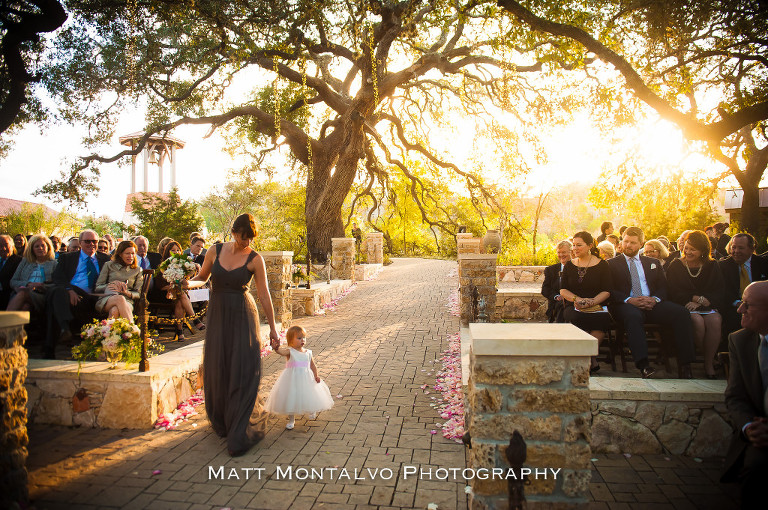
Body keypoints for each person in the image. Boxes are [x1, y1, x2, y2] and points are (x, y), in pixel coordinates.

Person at [191, 213, 280, 457]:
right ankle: (222, 418)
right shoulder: (215, 251)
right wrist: (183, 284)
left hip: (243, 314)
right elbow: (201, 278)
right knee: (220, 366)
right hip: (218, 315)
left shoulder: (255, 258)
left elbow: (264, 294)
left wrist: (272, 328)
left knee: (242, 367)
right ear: (233, 232)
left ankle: (239, 427)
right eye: (243, 238)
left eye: (250, 239)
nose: (246, 243)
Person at [607, 226, 695, 379]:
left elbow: (663, 287)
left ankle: (685, 364)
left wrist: (655, 299)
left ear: (641, 243)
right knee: (634, 317)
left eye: (633, 243)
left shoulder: (652, 262)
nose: (628, 245)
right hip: (625, 305)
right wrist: (629, 299)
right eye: (626, 241)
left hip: (652, 303)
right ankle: (643, 365)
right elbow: (609, 289)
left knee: (681, 313)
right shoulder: (611, 264)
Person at [720, 281, 768, 507]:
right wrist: (749, 427)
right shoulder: (739, 340)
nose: (739, 310)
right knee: (756, 469)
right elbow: (735, 396)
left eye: (747, 305)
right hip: (759, 437)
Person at [666, 230, 725, 379]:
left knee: (715, 321)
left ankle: (708, 363)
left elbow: (719, 289)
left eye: (693, 249)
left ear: (703, 250)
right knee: (697, 322)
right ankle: (709, 358)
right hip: (684, 304)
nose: (688, 251)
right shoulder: (676, 265)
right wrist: (693, 298)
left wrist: (703, 301)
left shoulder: (712, 265)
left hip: (706, 304)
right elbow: (672, 290)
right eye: (686, 247)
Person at [44, 230, 111, 358]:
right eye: (87, 241)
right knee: (57, 292)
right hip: (71, 295)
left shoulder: (105, 259)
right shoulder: (68, 258)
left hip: (94, 297)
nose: (91, 244)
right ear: (80, 243)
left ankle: (55, 341)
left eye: (94, 241)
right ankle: (62, 330)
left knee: (54, 295)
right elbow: (57, 277)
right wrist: (70, 290)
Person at [558, 231, 613, 373]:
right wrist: (577, 299)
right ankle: (591, 359)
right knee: (576, 317)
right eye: (574, 245)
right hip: (574, 304)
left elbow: (607, 290)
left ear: (590, 245)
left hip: (597, 304)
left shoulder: (603, 265)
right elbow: (563, 290)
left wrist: (592, 302)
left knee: (601, 320)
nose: (575, 248)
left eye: (579, 245)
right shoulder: (570, 265)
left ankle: (586, 358)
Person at [264, 325, 334, 430]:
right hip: (291, 379)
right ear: (290, 340)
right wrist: (276, 349)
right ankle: (291, 419)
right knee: (291, 397)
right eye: (299, 338)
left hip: (307, 378)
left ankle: (312, 409)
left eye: (303, 338)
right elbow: (281, 352)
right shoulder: (290, 351)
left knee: (309, 394)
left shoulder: (308, 353)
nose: (302, 340)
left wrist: (316, 376)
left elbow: (312, 366)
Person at [150, 240, 205, 340]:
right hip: (164, 294)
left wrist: (187, 271)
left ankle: (180, 332)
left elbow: (186, 284)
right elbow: (160, 286)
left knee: (180, 299)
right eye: (173, 250)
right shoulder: (162, 265)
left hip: (178, 294)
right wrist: (172, 287)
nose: (175, 252)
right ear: (168, 252)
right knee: (181, 294)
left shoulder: (183, 265)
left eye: (178, 250)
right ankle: (194, 319)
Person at [718, 233, 768, 340]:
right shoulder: (722, 266)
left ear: (751, 248)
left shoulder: (763, 264)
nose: (736, 251)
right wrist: (737, 303)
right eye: (734, 247)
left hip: (759, 307)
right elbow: (722, 291)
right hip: (733, 307)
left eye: (741, 248)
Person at [94, 240, 144, 320]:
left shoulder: (137, 270)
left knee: (114, 311)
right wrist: (111, 285)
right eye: (127, 253)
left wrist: (126, 292)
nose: (131, 256)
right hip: (107, 299)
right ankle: (133, 329)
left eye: (133, 253)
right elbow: (98, 287)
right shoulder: (109, 265)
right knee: (119, 298)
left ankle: (108, 332)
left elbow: (139, 294)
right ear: (120, 254)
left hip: (127, 301)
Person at [6, 235, 57, 313]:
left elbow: (58, 283)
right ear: (32, 249)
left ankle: (4, 323)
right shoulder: (25, 262)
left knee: (23, 294)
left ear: (48, 247)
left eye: (43, 245)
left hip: (43, 295)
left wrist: (42, 286)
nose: (40, 248)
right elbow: (13, 281)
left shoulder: (54, 264)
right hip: (23, 292)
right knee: (25, 306)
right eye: (37, 246)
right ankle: (10, 324)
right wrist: (28, 284)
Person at [541, 240, 571, 324]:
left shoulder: (578, 268)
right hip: (557, 303)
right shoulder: (551, 270)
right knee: (562, 305)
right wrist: (556, 296)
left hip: (573, 300)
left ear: (571, 252)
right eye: (559, 252)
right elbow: (545, 289)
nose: (561, 255)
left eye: (564, 252)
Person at [0, 235, 23, 310]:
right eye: (0, 246)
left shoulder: (19, 261)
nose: (3, 249)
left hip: (7, 294)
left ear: (12, 246)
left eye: (6, 245)